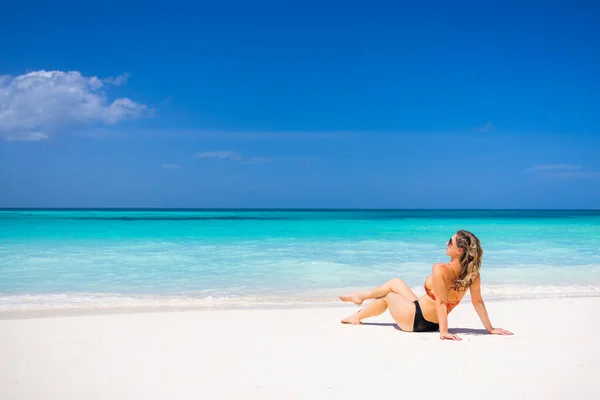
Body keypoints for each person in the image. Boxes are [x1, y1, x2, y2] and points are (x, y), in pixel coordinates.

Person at [339, 229, 513, 341]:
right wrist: (489, 329)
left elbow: (441, 302)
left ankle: (357, 315)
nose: (447, 244)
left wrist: (443, 332)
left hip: (417, 321)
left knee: (389, 296)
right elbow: (478, 302)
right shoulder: (472, 275)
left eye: (450, 242)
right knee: (395, 282)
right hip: (433, 320)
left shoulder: (440, 268)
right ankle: (360, 297)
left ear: (459, 250)